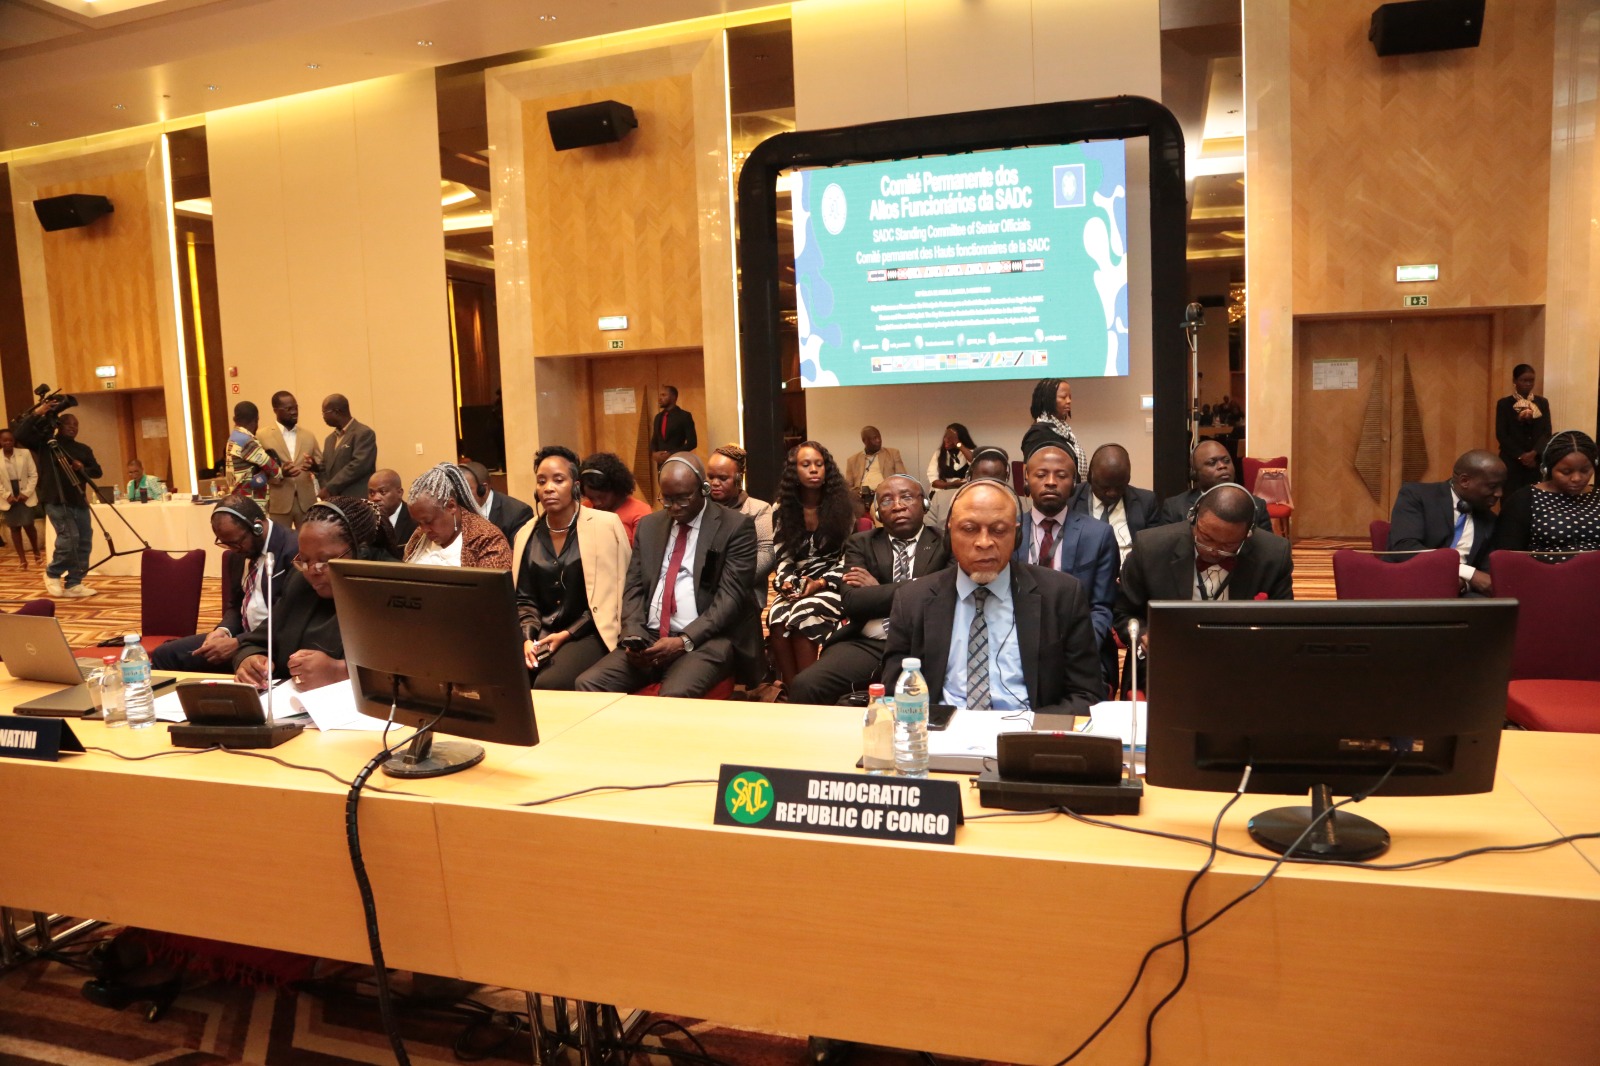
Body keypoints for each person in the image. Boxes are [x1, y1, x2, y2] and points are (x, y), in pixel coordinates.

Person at [881, 479, 1102, 716]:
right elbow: (895, 694)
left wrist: (1031, 728)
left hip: (1026, 731)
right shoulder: (912, 600)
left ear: (1017, 535)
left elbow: (1086, 696)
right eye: (969, 529)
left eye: (998, 530)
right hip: (942, 731)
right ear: (950, 533)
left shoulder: (1062, 595)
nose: (984, 543)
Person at [575, 453, 759, 698]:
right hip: (650, 637)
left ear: (703, 489)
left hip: (705, 639)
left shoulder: (734, 527)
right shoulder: (650, 526)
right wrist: (633, 635)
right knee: (588, 684)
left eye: (683, 498)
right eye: (667, 499)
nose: (674, 507)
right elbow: (634, 587)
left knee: (672, 697)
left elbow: (730, 600)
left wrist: (684, 640)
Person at [789, 474, 950, 706]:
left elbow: (942, 597)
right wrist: (921, 585)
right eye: (886, 500)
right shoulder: (861, 543)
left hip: (925, 644)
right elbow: (854, 602)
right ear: (877, 513)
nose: (897, 506)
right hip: (870, 643)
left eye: (906, 497)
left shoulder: (946, 543)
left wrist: (878, 590)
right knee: (806, 685)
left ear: (924, 504)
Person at [232, 496, 398, 689]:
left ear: (361, 553)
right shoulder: (300, 583)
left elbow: (410, 674)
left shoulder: (392, 591)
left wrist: (339, 671)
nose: (312, 571)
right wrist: (250, 660)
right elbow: (255, 643)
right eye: (304, 560)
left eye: (324, 561)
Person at [1115, 483, 1294, 659]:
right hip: (1166, 657)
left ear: (1248, 535)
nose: (1213, 551)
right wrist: (1143, 636)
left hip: (1242, 658)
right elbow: (1123, 612)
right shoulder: (1151, 547)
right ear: (1193, 518)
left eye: (1228, 545)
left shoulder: (1274, 555)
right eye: (1206, 538)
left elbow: (1284, 623)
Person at [510, 446, 631, 690]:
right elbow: (524, 600)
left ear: (575, 486)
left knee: (548, 683)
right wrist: (527, 639)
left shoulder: (606, 526)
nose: (548, 488)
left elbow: (615, 594)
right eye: (541, 481)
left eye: (558, 480)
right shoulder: (526, 534)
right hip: (541, 633)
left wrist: (567, 634)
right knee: (506, 677)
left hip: (590, 631)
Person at [152, 496, 298, 673]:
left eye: (236, 543)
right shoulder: (239, 552)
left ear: (257, 527)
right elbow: (235, 605)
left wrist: (239, 643)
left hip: (273, 644)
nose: (233, 550)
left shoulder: (294, 550)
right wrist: (224, 630)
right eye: (226, 544)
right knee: (165, 655)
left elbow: (290, 618)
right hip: (241, 637)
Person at [767, 441, 856, 688]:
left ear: (827, 469)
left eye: (819, 464)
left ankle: (808, 692)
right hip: (798, 580)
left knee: (804, 614)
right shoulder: (782, 508)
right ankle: (792, 691)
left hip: (834, 581)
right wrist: (786, 583)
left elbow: (849, 558)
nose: (814, 470)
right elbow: (783, 556)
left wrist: (821, 583)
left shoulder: (843, 506)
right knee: (777, 617)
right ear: (794, 471)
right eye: (806, 465)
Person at [1015, 445, 1118, 646]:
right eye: (1041, 475)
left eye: (1061, 476)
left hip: (1078, 643)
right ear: (1026, 479)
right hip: (1018, 644)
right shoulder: (1009, 531)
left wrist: (1080, 652)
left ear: (1074, 484)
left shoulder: (1098, 535)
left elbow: (1101, 608)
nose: (1051, 482)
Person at [1387, 450, 1506, 595]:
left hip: (1460, 593)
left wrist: (1464, 583)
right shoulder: (1417, 496)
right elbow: (1405, 548)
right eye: (1492, 486)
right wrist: (1468, 573)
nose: (1499, 493)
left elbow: (1486, 576)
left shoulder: (1489, 520)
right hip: (1412, 583)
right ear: (1465, 481)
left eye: (1502, 486)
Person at [14, 401, 101, 599]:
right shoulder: (46, 445)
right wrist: (38, 413)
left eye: (76, 425)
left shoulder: (83, 449)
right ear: (58, 426)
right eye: (68, 423)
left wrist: (82, 469)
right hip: (55, 499)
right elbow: (21, 434)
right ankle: (52, 573)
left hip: (78, 500)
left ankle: (74, 583)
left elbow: (97, 471)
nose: (72, 427)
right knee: (69, 538)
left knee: (84, 541)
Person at [1486, 430, 1600, 560]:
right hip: (1544, 571)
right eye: (1566, 472)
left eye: (1585, 470)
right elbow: (1508, 555)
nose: (1576, 478)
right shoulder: (1524, 500)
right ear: (1547, 469)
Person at [402, 463, 512, 569]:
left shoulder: (487, 540)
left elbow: (490, 582)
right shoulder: (418, 537)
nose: (424, 530)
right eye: (419, 523)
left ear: (451, 506)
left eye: (428, 521)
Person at [1069, 443, 1160, 562]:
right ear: (1090, 477)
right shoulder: (1071, 498)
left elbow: (1153, 550)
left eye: (1119, 487)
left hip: (1130, 571)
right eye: (1105, 487)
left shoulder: (1146, 502)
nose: (1112, 493)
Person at [1156, 440, 1272, 530]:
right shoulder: (1174, 508)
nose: (1222, 466)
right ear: (1195, 474)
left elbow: (1266, 549)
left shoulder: (1256, 506)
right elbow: (1168, 549)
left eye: (1226, 461)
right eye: (1212, 463)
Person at [706, 444, 775, 587]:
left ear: (739, 478)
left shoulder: (759, 509)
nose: (715, 483)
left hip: (744, 588)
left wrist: (725, 581)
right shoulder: (700, 508)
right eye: (711, 477)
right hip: (703, 588)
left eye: (723, 478)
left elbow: (766, 555)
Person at [258, 391, 322, 528]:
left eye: (296, 408)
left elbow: (321, 463)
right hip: (279, 502)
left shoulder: (308, 435)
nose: (294, 412)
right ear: (275, 410)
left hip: (306, 503)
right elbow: (257, 470)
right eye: (288, 409)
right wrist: (280, 473)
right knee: (279, 540)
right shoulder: (262, 436)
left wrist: (314, 466)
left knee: (309, 540)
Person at [1495, 363, 1553, 496]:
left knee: (1535, 497)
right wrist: (1521, 456)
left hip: (1536, 461)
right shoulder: (1504, 404)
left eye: (1531, 380)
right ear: (1515, 381)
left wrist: (1534, 453)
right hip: (1511, 460)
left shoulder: (1542, 402)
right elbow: (1501, 434)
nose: (1528, 384)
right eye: (1524, 380)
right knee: (1510, 497)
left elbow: (1547, 432)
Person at [579, 451, 653, 546]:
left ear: (616, 488)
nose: (597, 503)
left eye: (602, 497)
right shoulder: (583, 509)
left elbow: (642, 551)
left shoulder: (640, 511)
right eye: (591, 498)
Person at [310, 393, 376, 499]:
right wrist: (315, 467)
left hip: (356, 499)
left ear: (337, 411)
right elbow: (325, 468)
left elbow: (358, 466)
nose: (323, 417)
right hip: (334, 500)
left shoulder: (364, 433)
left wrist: (329, 488)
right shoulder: (329, 439)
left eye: (324, 412)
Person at [927, 446, 1010, 529]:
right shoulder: (940, 500)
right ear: (969, 476)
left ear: (1006, 478)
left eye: (996, 477)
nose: (989, 483)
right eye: (983, 477)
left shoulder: (1013, 506)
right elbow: (926, 533)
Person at [1020, 378, 1087, 480]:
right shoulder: (1038, 434)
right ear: (1048, 400)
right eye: (1063, 397)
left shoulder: (1064, 431)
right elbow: (1028, 475)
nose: (1069, 401)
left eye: (1070, 397)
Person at [459, 459, 534, 545]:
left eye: (465, 489)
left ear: (483, 489)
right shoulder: (457, 510)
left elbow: (518, 551)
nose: (460, 494)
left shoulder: (518, 513)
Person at [225, 401, 280, 500]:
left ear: (234, 419)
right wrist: (283, 469)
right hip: (250, 500)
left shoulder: (233, 438)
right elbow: (275, 470)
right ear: (256, 420)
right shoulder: (246, 441)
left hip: (238, 497)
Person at [0, 428, 39, 566]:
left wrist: (26, 493)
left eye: (10, 440)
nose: (8, 442)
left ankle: (36, 551)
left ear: (14, 440)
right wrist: (6, 495)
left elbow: (33, 474)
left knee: (29, 524)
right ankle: (22, 559)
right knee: (14, 527)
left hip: (25, 492)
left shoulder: (25, 453)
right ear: (0, 441)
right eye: (4, 440)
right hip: (6, 495)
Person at [844, 426, 907, 510]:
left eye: (879, 437)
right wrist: (856, 493)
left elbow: (902, 478)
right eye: (874, 438)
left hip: (885, 495)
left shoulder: (892, 454)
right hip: (861, 499)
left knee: (878, 506)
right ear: (864, 441)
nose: (878, 440)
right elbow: (848, 486)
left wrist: (885, 487)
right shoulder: (852, 460)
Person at [649, 385, 697, 467]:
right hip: (661, 464)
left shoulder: (684, 416)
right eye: (660, 395)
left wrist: (671, 454)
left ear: (673, 397)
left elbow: (692, 443)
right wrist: (654, 453)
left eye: (663, 395)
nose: (660, 398)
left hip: (678, 462)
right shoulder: (658, 417)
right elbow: (655, 438)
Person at [367, 467, 417, 545]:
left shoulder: (415, 519)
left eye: (383, 492)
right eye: (372, 493)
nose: (375, 498)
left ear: (399, 493)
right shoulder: (365, 520)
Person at [927, 422, 976, 490]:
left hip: (964, 491)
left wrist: (959, 445)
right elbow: (934, 482)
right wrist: (952, 484)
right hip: (943, 491)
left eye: (951, 438)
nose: (946, 440)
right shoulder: (939, 453)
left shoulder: (969, 452)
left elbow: (974, 462)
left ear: (960, 439)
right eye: (945, 436)